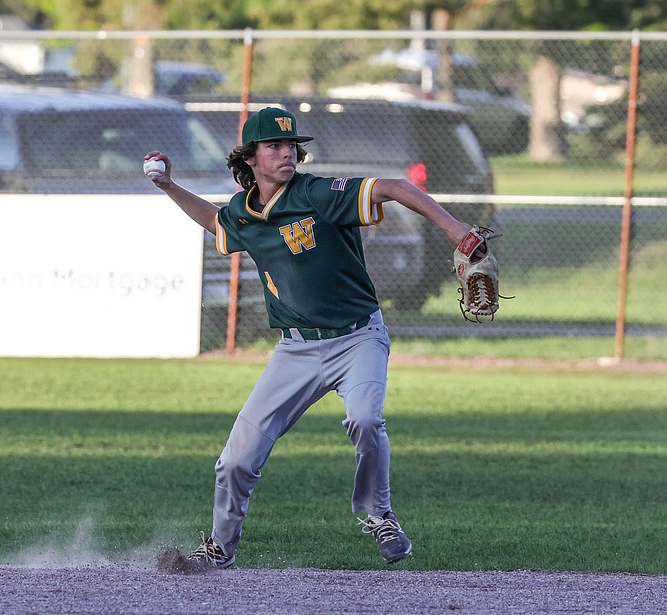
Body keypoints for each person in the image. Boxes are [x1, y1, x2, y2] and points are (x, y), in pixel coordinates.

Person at [145, 106, 473, 568]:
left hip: (358, 338)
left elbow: (396, 188)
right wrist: (169, 187)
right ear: (251, 158)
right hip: (295, 349)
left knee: (364, 419)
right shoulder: (246, 212)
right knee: (237, 458)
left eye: (291, 145)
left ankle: (378, 514)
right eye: (274, 146)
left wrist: (455, 229)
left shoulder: (320, 194)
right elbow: (218, 223)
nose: (287, 154)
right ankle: (219, 548)